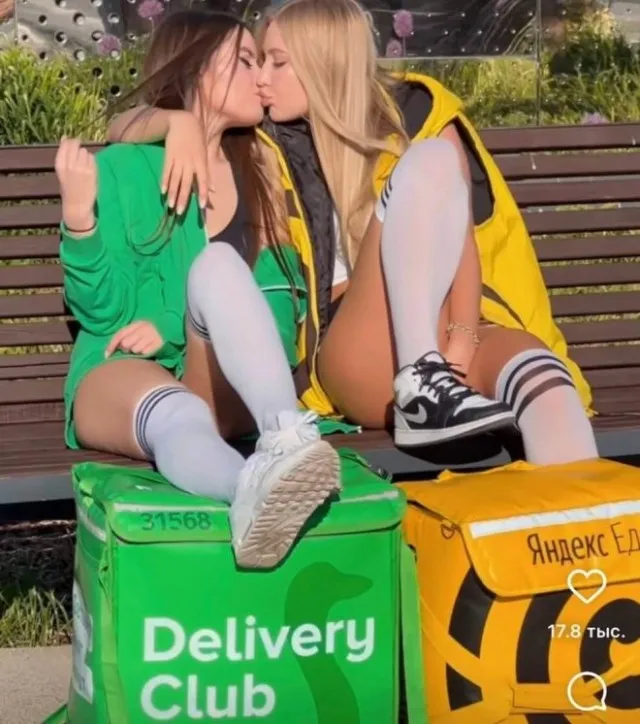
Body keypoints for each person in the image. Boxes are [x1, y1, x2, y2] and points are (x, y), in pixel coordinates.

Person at [107, 0, 599, 466]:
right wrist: (177, 122)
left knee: (545, 383)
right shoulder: (263, 139)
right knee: (428, 161)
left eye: (277, 63)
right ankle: (421, 383)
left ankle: (592, 524)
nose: (261, 79)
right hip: (355, 348)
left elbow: (463, 242)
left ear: (322, 64)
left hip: (448, 331)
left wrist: (462, 345)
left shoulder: (413, 114)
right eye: (257, 62)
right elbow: (120, 126)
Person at [56, 10, 341, 570]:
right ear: (196, 70)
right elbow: (102, 313)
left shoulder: (263, 168)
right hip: (122, 373)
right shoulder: (127, 168)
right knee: (177, 414)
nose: (260, 76)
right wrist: (80, 220)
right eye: (244, 61)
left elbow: (278, 305)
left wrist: (168, 328)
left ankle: (286, 443)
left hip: (223, 382)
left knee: (216, 263)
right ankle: (252, 490)